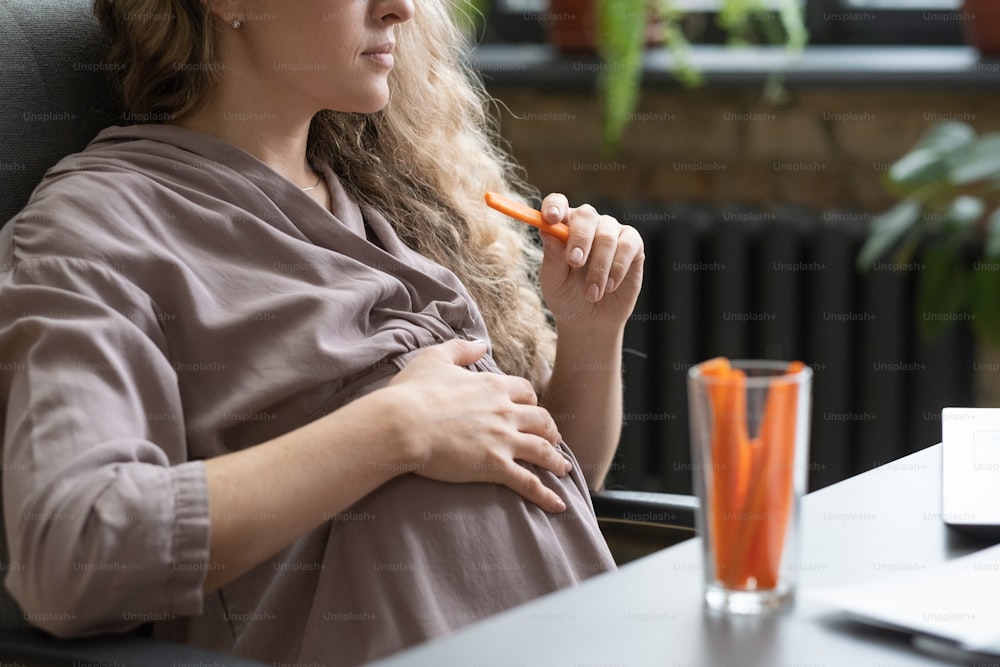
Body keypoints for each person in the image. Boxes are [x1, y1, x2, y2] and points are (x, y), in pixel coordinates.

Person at [0, 0, 645, 664]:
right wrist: (394, 429)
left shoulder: (388, 224)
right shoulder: (98, 225)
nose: (401, 8)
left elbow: (560, 476)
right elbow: (73, 551)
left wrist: (591, 329)